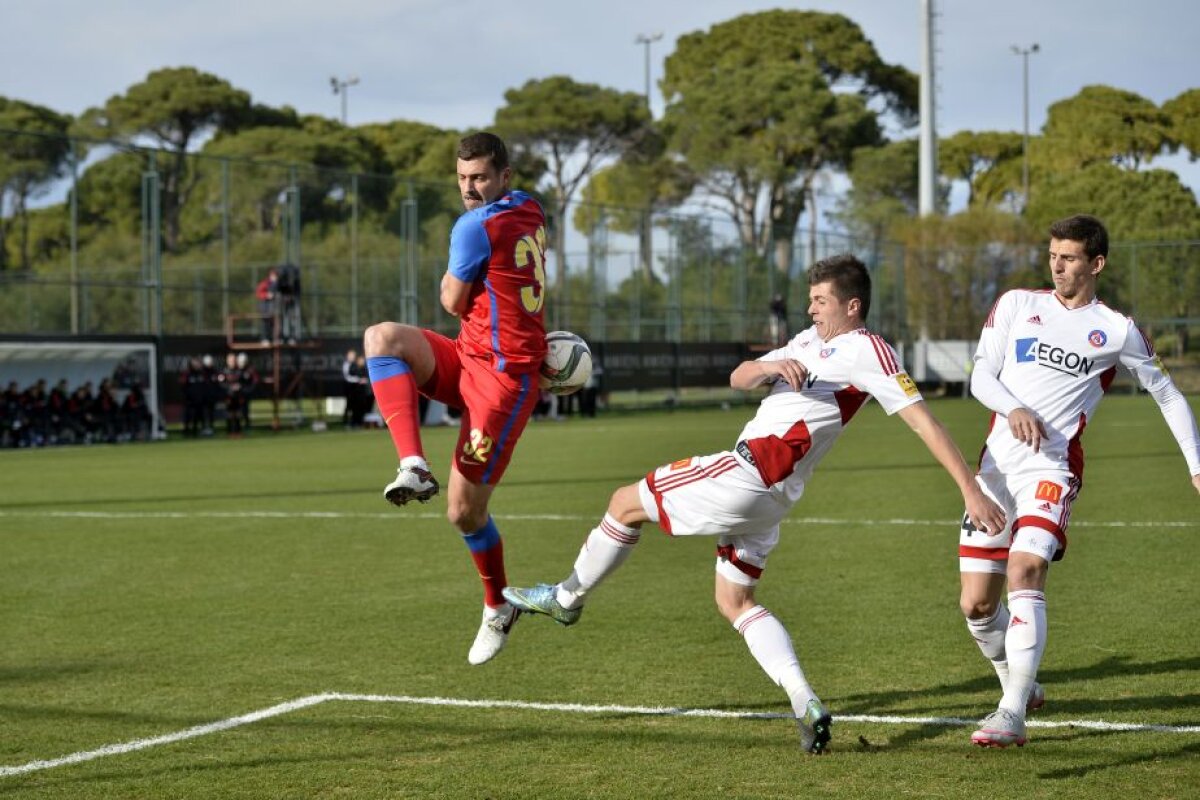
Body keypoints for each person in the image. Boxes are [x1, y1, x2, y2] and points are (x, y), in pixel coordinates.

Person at [503, 254, 1006, 753]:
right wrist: (767, 365)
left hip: (748, 473)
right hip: (772, 500)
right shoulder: (809, 341)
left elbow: (924, 422)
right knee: (735, 601)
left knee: (622, 503)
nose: (811, 309)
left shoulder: (868, 351)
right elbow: (739, 377)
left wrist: (969, 489)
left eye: (821, 300)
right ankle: (805, 702)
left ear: (853, 306)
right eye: (810, 299)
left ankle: (566, 599)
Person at [956, 214, 1200, 749]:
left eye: (1068, 258)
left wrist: (1196, 464)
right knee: (976, 607)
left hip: (1052, 468)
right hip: (995, 468)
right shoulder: (1018, 304)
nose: (1057, 266)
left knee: (1027, 567)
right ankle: (1019, 683)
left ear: (1097, 263)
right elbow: (980, 377)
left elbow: (1167, 395)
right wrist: (1014, 407)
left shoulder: (1117, 329)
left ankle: (1012, 712)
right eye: (1053, 256)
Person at [363, 132, 548, 666]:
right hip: (468, 355)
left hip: (504, 381)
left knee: (464, 512)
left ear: (503, 177)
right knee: (382, 338)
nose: (470, 188)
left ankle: (498, 606)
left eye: (481, 178)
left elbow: (450, 299)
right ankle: (414, 464)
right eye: (463, 178)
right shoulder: (531, 209)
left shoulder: (473, 226)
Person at [256, 269, 278, 344]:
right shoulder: (266, 283)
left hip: (273, 307)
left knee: (274, 323)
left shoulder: (277, 284)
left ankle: (274, 339)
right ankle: (264, 339)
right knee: (265, 322)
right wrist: (266, 295)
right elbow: (258, 293)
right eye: (274, 275)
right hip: (265, 306)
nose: (275, 277)